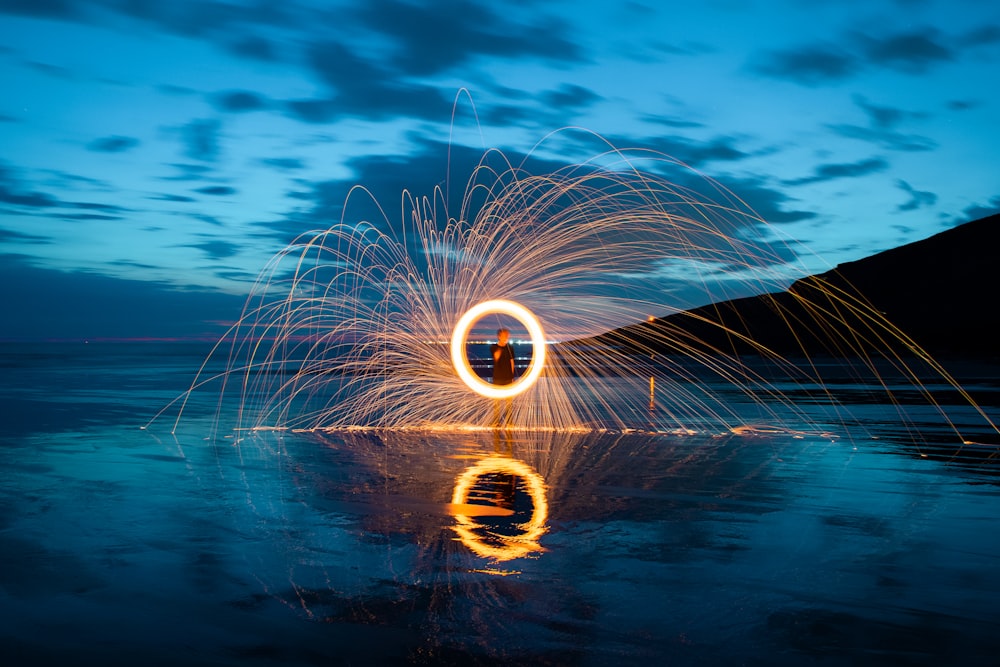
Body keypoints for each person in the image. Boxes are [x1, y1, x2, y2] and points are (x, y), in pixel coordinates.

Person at [491, 327, 515, 426]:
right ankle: (496, 422)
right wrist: (500, 347)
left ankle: (509, 422)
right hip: (497, 377)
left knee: (508, 402)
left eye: (507, 335)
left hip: (508, 377)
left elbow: (512, 361)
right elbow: (496, 357)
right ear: (499, 336)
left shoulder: (510, 347)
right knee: (497, 402)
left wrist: (512, 376)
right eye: (504, 335)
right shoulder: (493, 347)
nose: (506, 337)